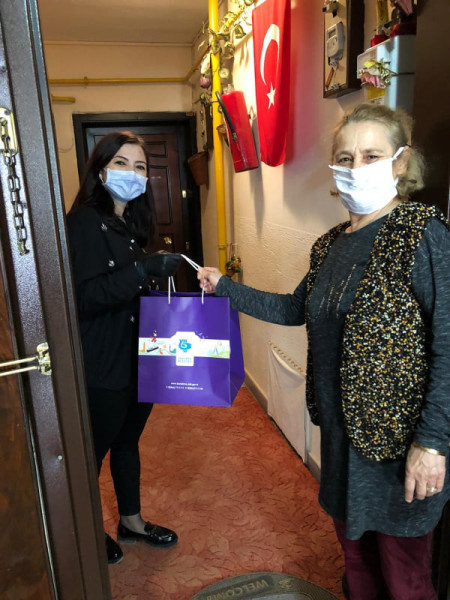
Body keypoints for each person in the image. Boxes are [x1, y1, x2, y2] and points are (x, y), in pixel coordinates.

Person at [198, 104, 449, 600]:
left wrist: (433, 444)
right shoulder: (330, 244)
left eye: (372, 155)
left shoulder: (421, 235)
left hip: (399, 445)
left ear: (400, 163)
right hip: (339, 436)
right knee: (356, 563)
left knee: (405, 580)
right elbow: (295, 308)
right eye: (346, 157)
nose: (357, 168)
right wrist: (224, 286)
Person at [67, 131, 182, 564]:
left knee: (129, 441)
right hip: (103, 360)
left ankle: (131, 522)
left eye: (140, 167)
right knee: (92, 453)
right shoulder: (82, 222)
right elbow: (83, 298)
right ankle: (84, 533)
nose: (131, 173)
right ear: (100, 170)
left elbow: (131, 289)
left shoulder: (131, 225)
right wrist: (140, 271)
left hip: (141, 357)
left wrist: (154, 275)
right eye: (121, 163)